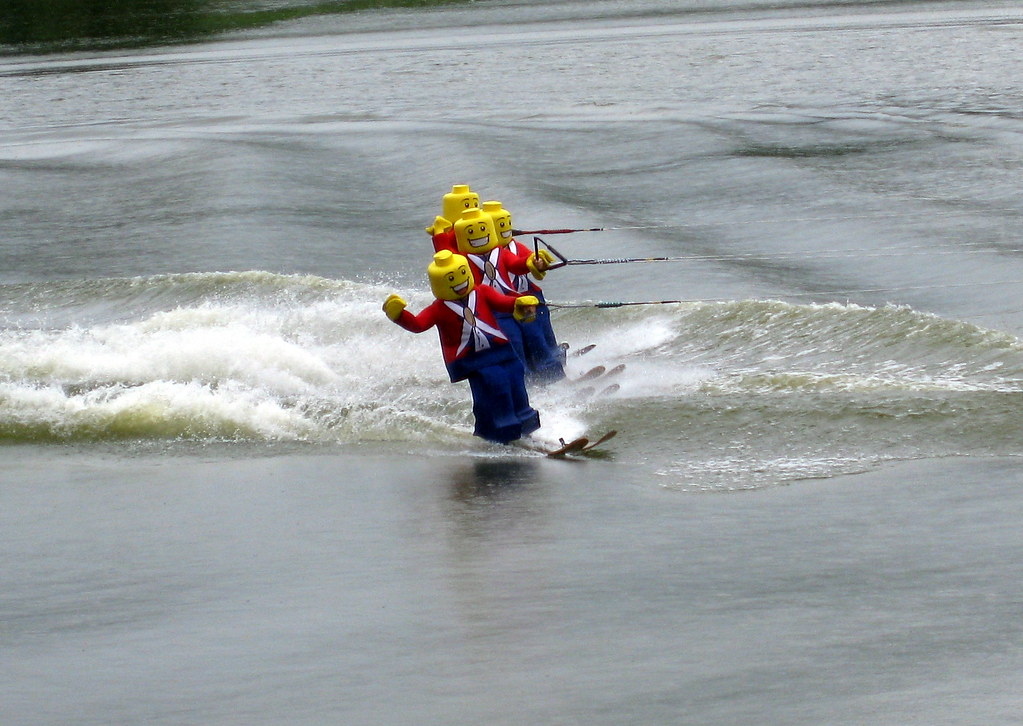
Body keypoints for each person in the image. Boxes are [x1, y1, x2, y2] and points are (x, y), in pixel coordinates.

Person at [383, 250, 541, 445]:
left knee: (516, 377)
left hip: (501, 351)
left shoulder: (482, 292)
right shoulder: (438, 309)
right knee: (496, 385)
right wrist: (399, 315)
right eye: (451, 278)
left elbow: (502, 302)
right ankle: (500, 430)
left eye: (461, 273)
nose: (459, 282)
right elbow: (418, 324)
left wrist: (519, 302)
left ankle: (526, 423)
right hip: (473, 361)